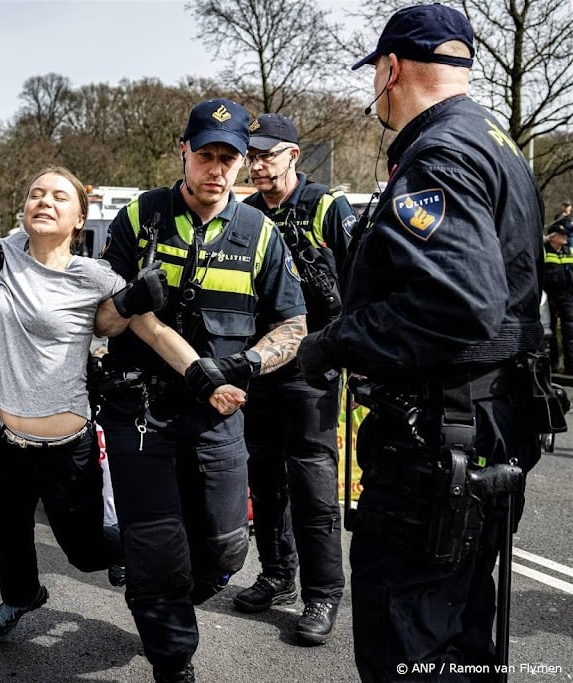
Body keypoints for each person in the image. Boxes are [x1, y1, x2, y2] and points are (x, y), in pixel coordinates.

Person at [297, 5, 544, 679]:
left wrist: (338, 340)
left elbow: (460, 301)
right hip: (490, 425)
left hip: (438, 444)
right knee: (462, 637)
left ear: (391, 68)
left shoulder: (437, 154)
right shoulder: (498, 141)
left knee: (408, 642)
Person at [0, 167, 241, 645]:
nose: (44, 201)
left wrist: (204, 378)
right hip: (6, 440)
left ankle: (137, 554)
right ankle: (22, 596)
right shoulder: (3, 255)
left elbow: (154, 331)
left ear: (80, 218)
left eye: (59, 196)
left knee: (85, 552)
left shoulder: (94, 276)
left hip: (65, 447)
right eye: (36, 193)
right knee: (10, 541)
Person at [95, 98, 308, 682]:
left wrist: (245, 364)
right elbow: (102, 323)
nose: (216, 169)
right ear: (183, 152)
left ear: (242, 162)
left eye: (229, 158)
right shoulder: (139, 219)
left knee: (224, 551)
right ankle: (171, 656)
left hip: (220, 412)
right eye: (206, 155)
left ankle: (157, 593)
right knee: (159, 545)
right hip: (141, 413)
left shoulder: (260, 233)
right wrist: (130, 298)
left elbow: (293, 324)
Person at [235, 113, 354, 643]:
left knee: (311, 483)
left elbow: (362, 287)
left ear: (292, 156)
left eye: (267, 155)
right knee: (263, 476)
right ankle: (278, 574)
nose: (257, 165)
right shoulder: (246, 214)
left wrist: (339, 325)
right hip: (261, 362)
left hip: (312, 364)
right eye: (251, 155)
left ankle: (323, 594)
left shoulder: (328, 207)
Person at [543, 223, 573, 373]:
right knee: (551, 334)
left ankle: (570, 367)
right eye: (562, 235)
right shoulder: (544, 251)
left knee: (570, 332)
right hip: (549, 296)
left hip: (567, 296)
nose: (565, 237)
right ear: (553, 237)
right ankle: (552, 366)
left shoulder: (569, 251)